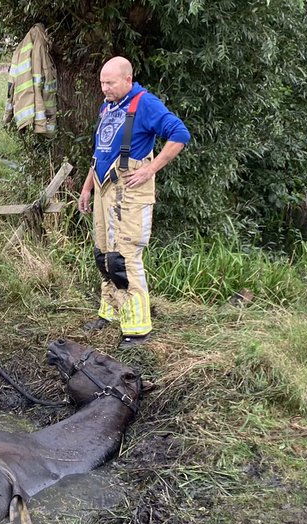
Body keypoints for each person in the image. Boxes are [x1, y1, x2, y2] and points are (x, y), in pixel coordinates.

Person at [77, 56, 189, 343]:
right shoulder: (107, 107)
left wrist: (151, 169)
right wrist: (87, 187)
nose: (104, 88)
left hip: (129, 191)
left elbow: (180, 134)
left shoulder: (145, 103)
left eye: (110, 83)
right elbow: (99, 152)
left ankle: (138, 329)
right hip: (103, 189)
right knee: (103, 254)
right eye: (102, 82)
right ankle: (111, 312)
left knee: (124, 257)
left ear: (128, 79)